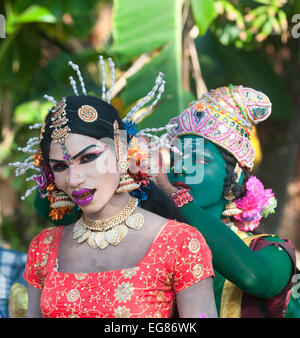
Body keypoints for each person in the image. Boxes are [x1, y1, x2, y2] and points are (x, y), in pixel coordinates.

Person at [11, 59, 217, 318]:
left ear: (120, 150)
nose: (74, 179)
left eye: (88, 158)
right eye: (61, 167)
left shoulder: (179, 243)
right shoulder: (43, 248)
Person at [154, 84, 297, 318]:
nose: (181, 168)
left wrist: (174, 196)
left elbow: (255, 277)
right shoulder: (154, 246)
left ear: (236, 174)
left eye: (199, 159)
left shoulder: (270, 250)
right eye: (175, 159)